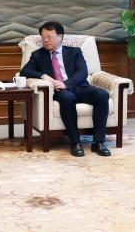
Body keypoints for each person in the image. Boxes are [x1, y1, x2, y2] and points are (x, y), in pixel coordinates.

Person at [19, 21, 112, 157]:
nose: (45, 40)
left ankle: (98, 142)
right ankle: (75, 142)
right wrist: (44, 76)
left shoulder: (74, 52)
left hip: (79, 87)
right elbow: (25, 71)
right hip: (59, 92)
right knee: (68, 98)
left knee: (102, 95)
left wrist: (67, 84)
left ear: (60, 36)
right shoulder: (38, 55)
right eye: (43, 37)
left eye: (49, 36)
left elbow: (82, 72)